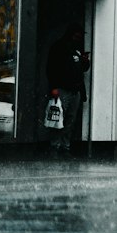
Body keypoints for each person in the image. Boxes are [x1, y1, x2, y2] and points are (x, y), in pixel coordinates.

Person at [46, 23, 90, 156]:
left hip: (74, 90)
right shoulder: (59, 47)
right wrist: (54, 87)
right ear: (71, 33)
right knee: (58, 118)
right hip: (62, 88)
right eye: (78, 34)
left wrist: (85, 61)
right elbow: (51, 68)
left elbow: (83, 68)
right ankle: (55, 146)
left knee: (69, 120)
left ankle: (65, 146)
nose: (79, 37)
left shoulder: (77, 49)